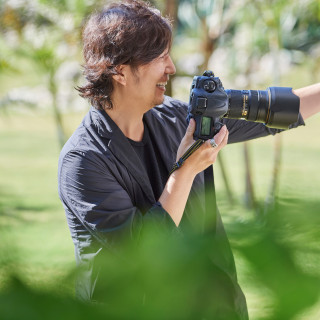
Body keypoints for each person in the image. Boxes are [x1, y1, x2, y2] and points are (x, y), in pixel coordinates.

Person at [58, 0, 320, 318]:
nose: (172, 67)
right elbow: (145, 250)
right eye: (159, 57)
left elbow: (266, 113)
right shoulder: (84, 161)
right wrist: (185, 170)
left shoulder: (174, 115)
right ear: (121, 71)